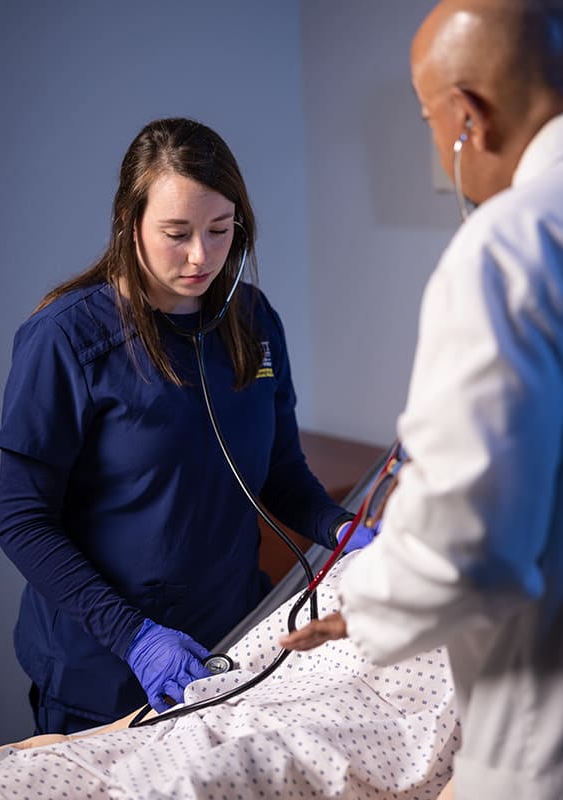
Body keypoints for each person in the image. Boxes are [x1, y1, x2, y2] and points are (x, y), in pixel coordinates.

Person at [0, 117, 357, 737]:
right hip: (103, 671)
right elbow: (22, 523)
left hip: (230, 649)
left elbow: (280, 473)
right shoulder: (65, 339)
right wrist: (134, 637)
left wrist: (345, 531)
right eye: (176, 233)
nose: (201, 256)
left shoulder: (252, 320)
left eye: (220, 231)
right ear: (128, 224)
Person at [282, 1, 563, 799]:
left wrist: (357, 602)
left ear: (467, 116)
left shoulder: (507, 250)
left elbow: (470, 552)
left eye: (429, 119)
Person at [0, 554, 459, 800]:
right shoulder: (358, 573)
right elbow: (227, 682)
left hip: (292, 761)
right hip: (174, 734)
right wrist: (88, 739)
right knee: (21, 779)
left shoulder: (519, 642)